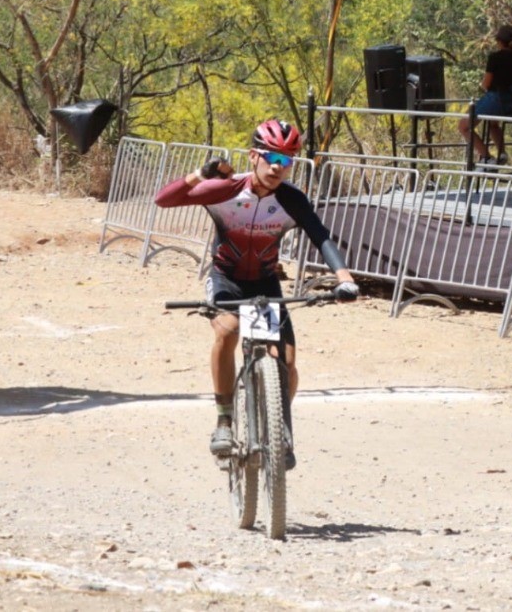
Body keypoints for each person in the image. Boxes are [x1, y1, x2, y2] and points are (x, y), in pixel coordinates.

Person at [154, 117, 359, 469]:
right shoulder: (225, 189)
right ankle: (224, 420)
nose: (279, 168)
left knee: (287, 365)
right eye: (273, 158)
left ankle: (279, 431)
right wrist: (200, 175)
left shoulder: (292, 200)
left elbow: (320, 236)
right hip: (226, 278)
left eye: (287, 161)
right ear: (253, 156)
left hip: (264, 284)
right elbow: (163, 200)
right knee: (230, 329)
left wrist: (344, 277)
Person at [458, 24, 512, 166]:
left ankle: (486, 157)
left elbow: (486, 84)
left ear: (499, 41)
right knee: (493, 123)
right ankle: (502, 153)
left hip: (497, 99)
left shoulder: (495, 58)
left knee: (463, 126)